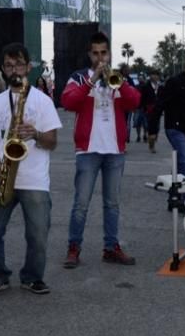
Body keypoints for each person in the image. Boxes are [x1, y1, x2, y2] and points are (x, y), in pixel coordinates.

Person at [0, 43, 62, 296]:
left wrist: (35, 133)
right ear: (4, 69)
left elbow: (52, 142)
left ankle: (32, 277)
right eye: (9, 65)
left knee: (37, 235)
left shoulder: (43, 101)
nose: (14, 69)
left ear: (28, 66)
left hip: (34, 180)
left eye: (18, 64)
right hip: (4, 176)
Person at [61, 31, 142, 268]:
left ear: (109, 53)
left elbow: (135, 102)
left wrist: (119, 82)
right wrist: (91, 80)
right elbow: (68, 102)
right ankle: (73, 248)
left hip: (115, 150)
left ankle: (111, 248)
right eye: (95, 53)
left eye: (103, 53)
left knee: (112, 203)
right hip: (88, 150)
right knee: (81, 202)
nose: (100, 58)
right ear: (89, 54)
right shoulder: (78, 77)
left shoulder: (119, 79)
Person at [151, 51, 185, 177]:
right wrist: (153, 130)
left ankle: (174, 190)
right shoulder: (174, 82)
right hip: (174, 128)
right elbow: (159, 105)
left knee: (180, 164)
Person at [140, 70, 162, 153]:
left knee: (157, 128)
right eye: (153, 75)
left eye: (157, 75)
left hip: (158, 110)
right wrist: (143, 108)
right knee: (150, 128)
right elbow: (142, 99)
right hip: (148, 110)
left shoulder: (160, 87)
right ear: (150, 76)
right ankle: (152, 146)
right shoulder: (146, 86)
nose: (155, 77)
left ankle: (152, 140)